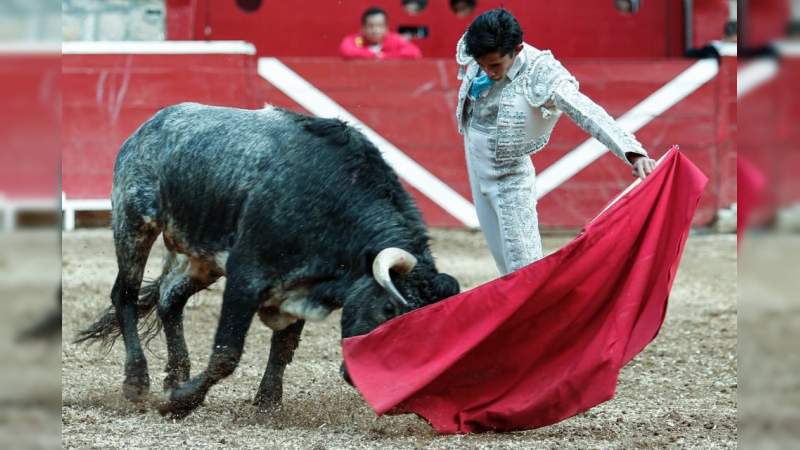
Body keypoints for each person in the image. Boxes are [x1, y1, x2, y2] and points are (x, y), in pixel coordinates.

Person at [455, 9, 656, 275]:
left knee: (523, 265)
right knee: (501, 259)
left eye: (495, 66)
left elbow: (586, 111)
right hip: (474, 156)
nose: (488, 72)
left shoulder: (541, 71)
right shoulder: (477, 43)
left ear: (517, 49)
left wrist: (633, 153)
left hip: (509, 173)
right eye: (482, 65)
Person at [339, 7, 422, 60]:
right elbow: (346, 50)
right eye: (370, 26)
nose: (375, 30)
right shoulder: (357, 39)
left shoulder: (394, 39)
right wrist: (372, 55)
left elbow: (414, 52)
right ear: (363, 28)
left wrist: (385, 56)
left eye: (380, 26)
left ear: (386, 28)